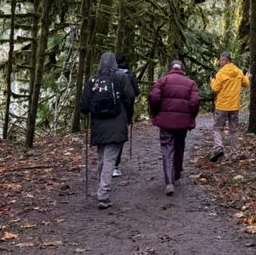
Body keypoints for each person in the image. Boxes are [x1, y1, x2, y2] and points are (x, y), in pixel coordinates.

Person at [80, 51, 135, 210]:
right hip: (117, 123)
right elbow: (130, 96)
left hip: (98, 125)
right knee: (110, 160)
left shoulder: (92, 80)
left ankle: (101, 189)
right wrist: (126, 113)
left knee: (102, 158)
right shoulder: (120, 77)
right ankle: (103, 195)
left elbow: (84, 105)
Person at [148, 59, 200, 196]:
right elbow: (195, 102)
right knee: (179, 146)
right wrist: (191, 117)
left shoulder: (162, 81)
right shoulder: (191, 83)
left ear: (170, 68)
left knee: (167, 149)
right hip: (182, 123)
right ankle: (176, 173)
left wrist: (156, 111)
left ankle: (169, 181)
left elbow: (153, 96)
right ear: (182, 69)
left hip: (165, 122)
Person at [209, 51, 249, 162]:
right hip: (234, 106)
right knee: (234, 131)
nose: (219, 62)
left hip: (222, 105)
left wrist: (212, 81)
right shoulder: (238, 71)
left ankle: (218, 148)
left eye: (221, 60)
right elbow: (245, 84)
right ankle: (234, 154)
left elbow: (215, 88)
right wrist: (247, 76)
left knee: (217, 128)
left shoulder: (220, 73)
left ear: (226, 60)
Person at [112, 52, 140, 177]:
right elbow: (136, 92)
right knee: (120, 138)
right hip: (124, 112)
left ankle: (107, 164)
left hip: (109, 110)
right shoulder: (130, 75)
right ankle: (114, 165)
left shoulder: (109, 74)